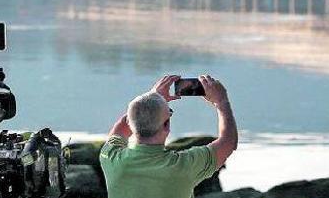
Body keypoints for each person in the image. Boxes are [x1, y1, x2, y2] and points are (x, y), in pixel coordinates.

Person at [99, 75, 238, 198]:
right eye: (169, 113)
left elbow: (119, 130)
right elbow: (229, 142)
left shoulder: (110, 157)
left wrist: (152, 97)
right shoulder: (184, 165)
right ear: (166, 126)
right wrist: (221, 101)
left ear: (130, 121)